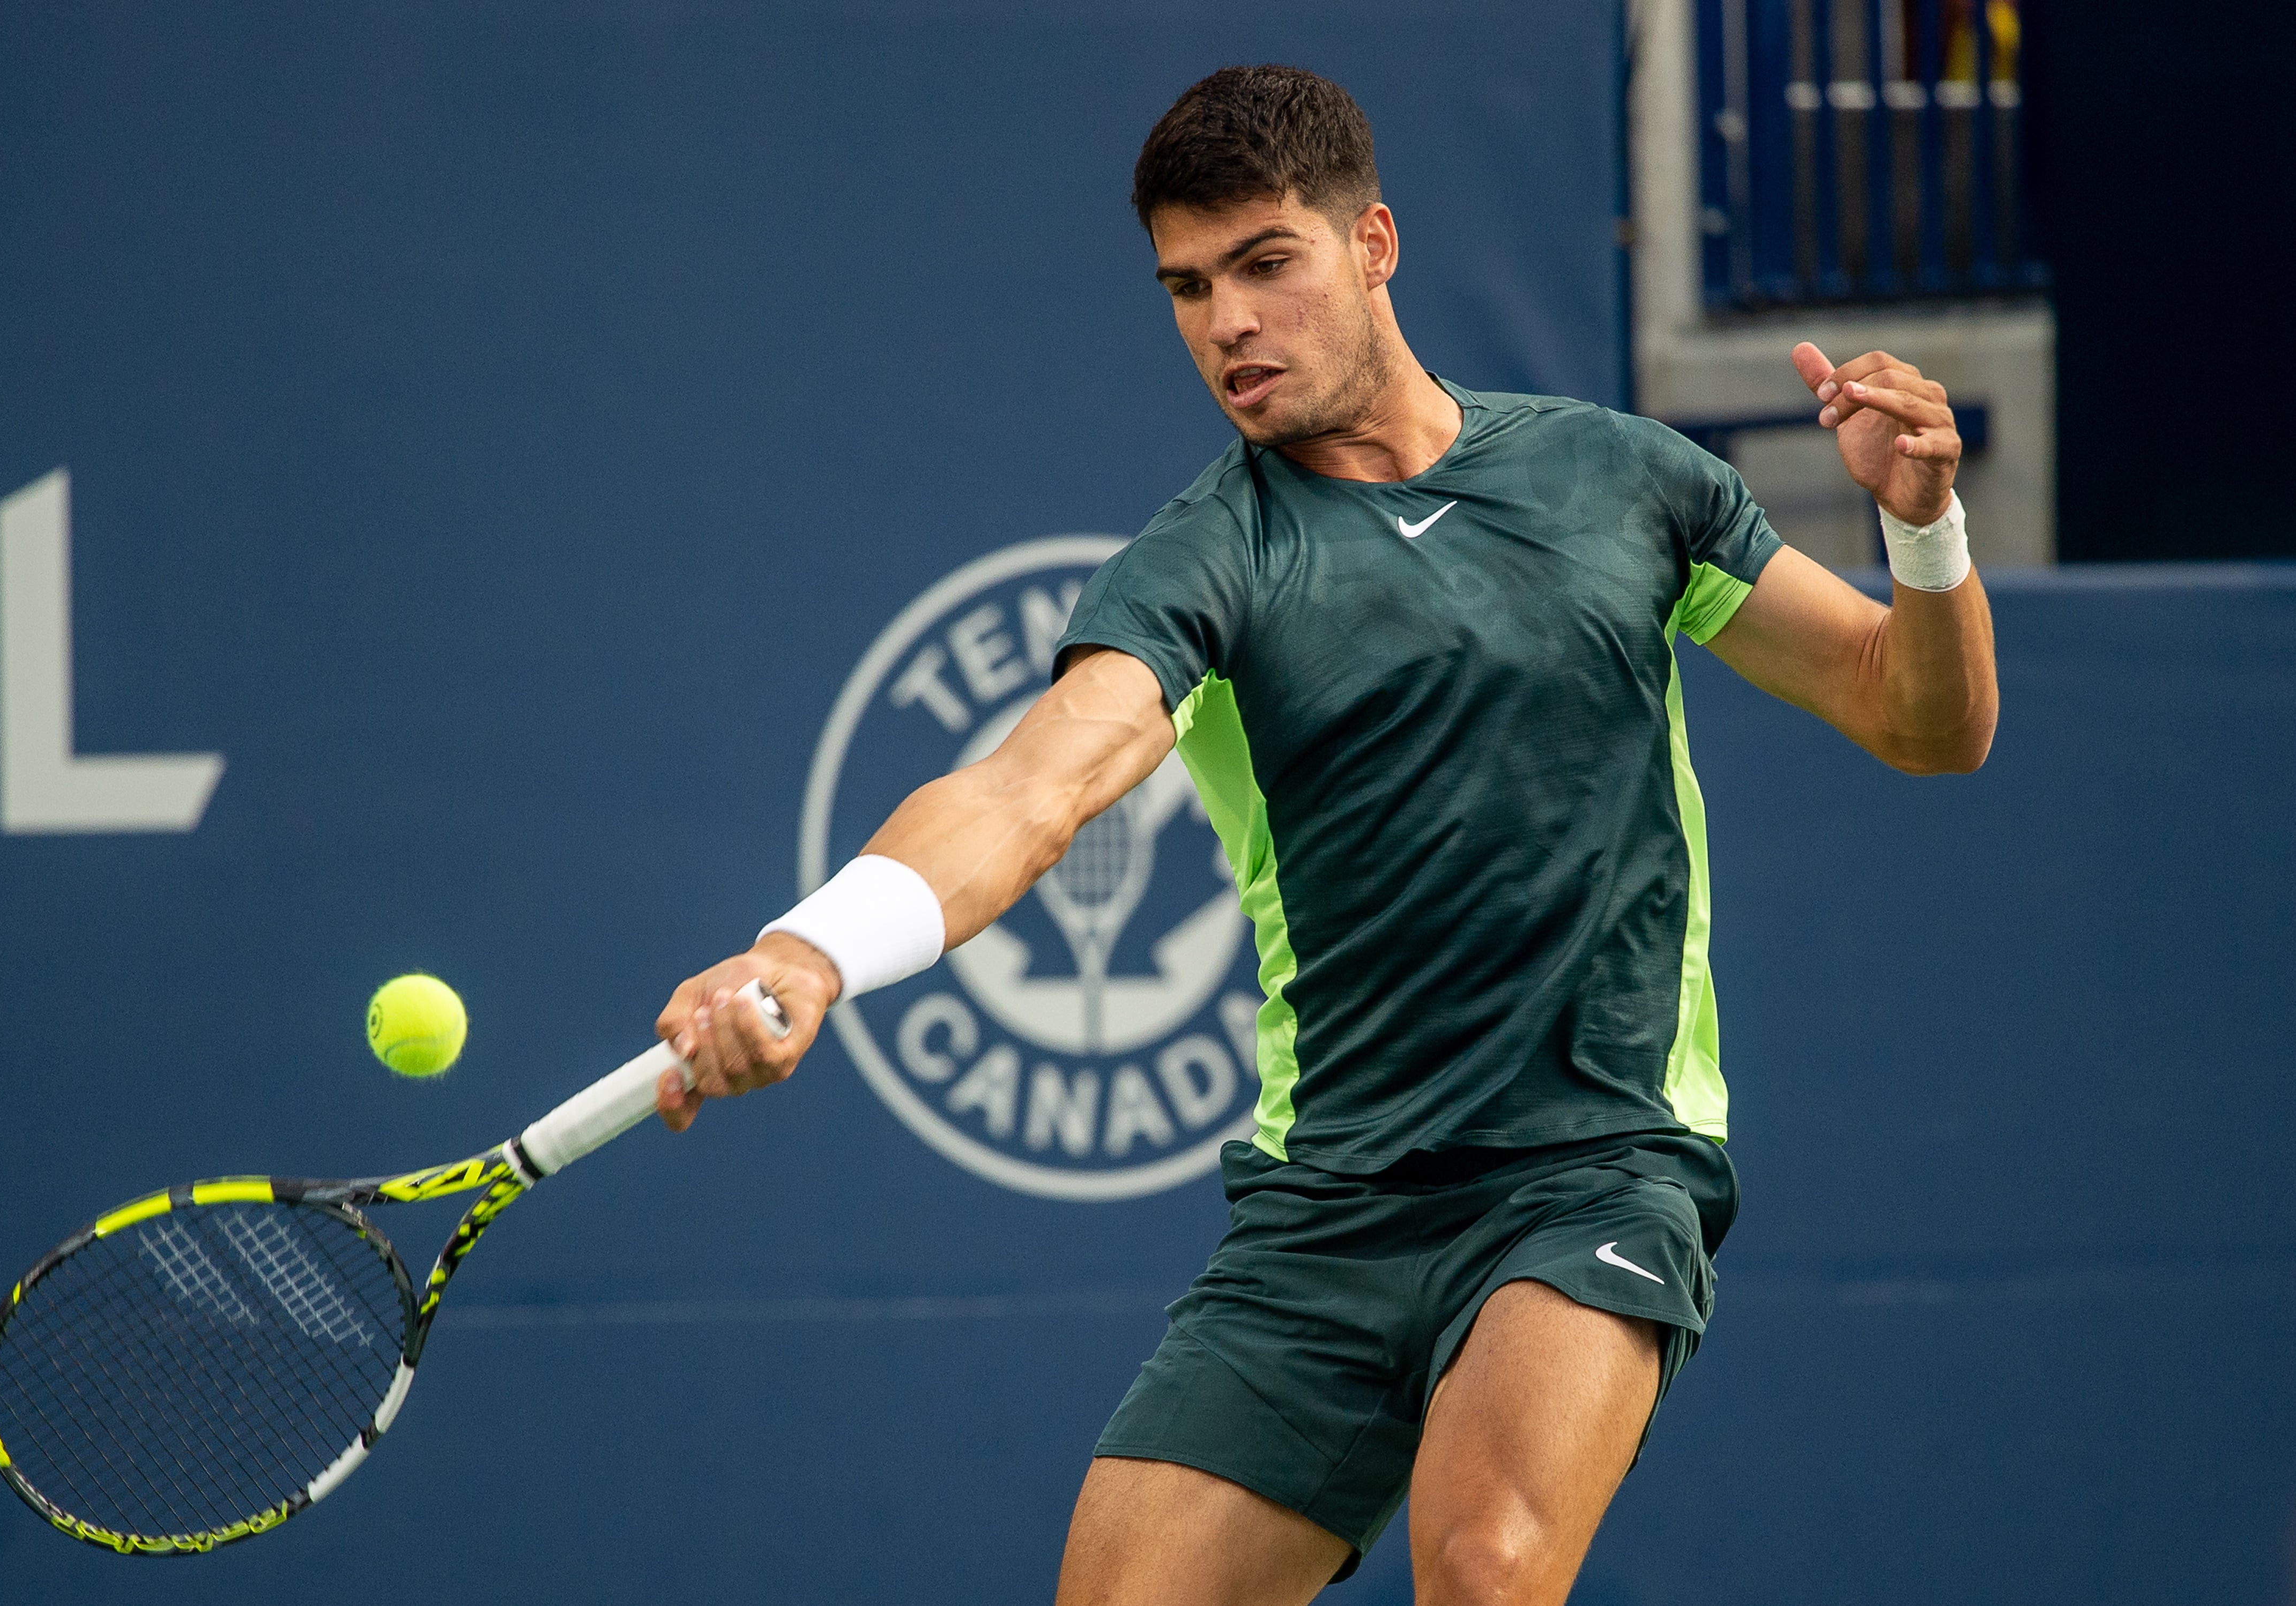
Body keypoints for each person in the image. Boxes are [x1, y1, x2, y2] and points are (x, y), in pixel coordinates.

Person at [648, 64, 1997, 1606]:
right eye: (1185, 286)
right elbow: (1031, 790)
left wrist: (1922, 533)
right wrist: (813, 948)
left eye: (1263, 263)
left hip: (1594, 1158)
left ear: (1374, 246)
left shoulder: (1622, 480)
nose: (1224, 321)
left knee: (1485, 1567)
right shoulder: (1208, 558)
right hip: (1328, 1207)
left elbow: (1922, 720)